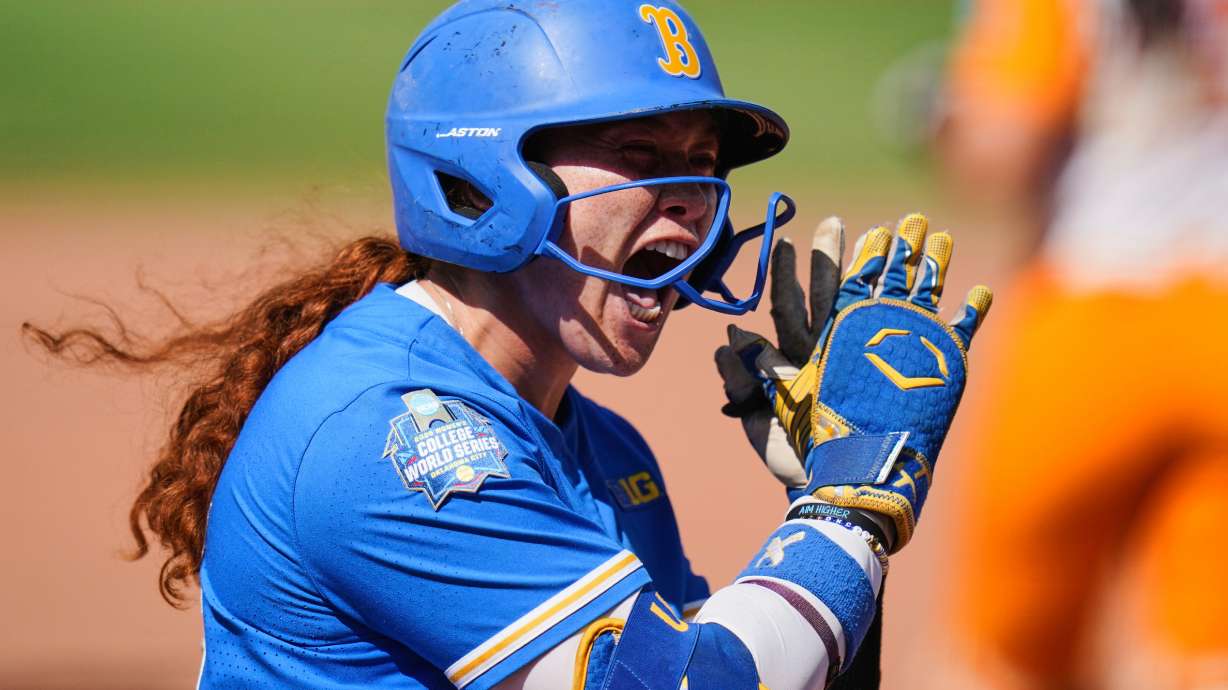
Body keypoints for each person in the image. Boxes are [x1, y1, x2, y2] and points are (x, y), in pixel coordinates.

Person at [26, 2, 990, 688]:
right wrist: (852, 501)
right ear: (482, 175)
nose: (692, 204)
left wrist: (821, 502)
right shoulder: (395, 443)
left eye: (702, 167)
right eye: (642, 157)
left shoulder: (605, 452)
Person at [939, 0, 1228, 687]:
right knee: (1204, 654)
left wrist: (944, 119)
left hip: (1091, 320)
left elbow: (1005, 145)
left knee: (1004, 659)